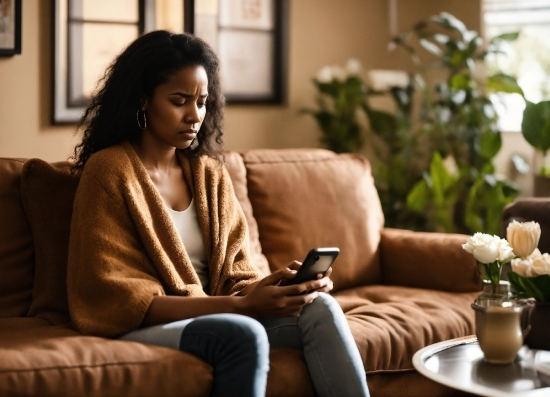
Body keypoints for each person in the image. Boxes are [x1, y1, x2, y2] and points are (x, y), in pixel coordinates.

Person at [67, 30, 370, 397]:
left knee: (319, 306)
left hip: (219, 310)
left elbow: (236, 276)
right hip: (139, 324)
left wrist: (276, 288)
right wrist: (241, 306)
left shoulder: (208, 174)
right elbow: (114, 297)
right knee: (241, 331)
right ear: (143, 99)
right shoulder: (109, 170)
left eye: (202, 101)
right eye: (179, 101)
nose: (194, 115)